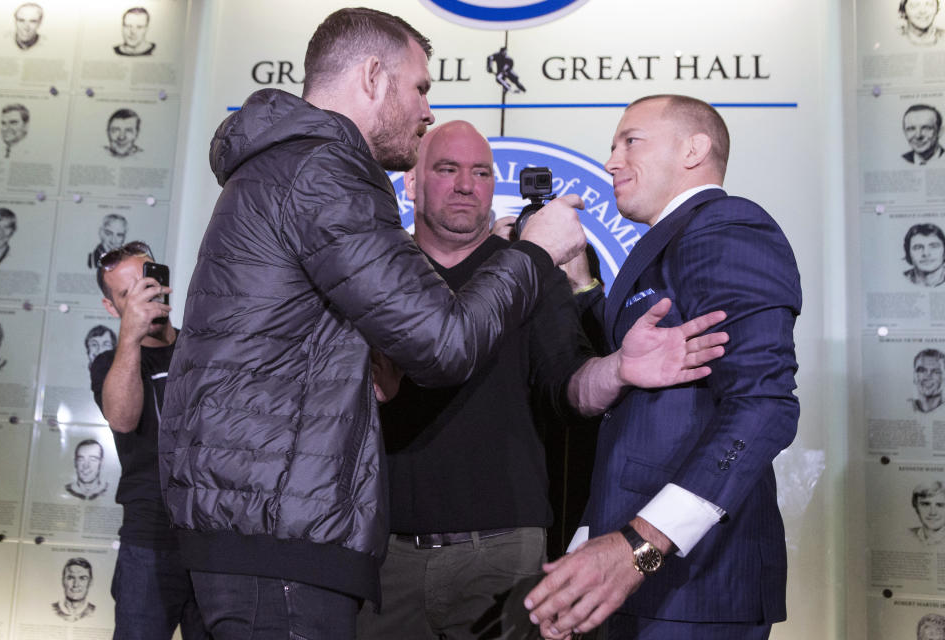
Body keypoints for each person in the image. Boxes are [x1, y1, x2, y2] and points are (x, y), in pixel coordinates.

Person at [159, 7, 590, 639]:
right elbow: (444, 342)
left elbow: (286, 341)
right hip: (281, 542)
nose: (427, 110)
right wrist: (533, 253)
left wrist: (354, 373)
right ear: (370, 76)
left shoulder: (286, 167)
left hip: (259, 529)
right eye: (420, 87)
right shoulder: (324, 171)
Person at [355, 121, 726, 640]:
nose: (466, 184)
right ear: (413, 184)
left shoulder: (532, 275)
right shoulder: (372, 272)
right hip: (379, 554)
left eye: (481, 172)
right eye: (447, 169)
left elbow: (569, 386)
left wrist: (617, 368)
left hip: (503, 553)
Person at [524, 94, 802, 640]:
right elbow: (637, 401)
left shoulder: (726, 226)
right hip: (643, 583)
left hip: (694, 588)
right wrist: (581, 284)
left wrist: (640, 547)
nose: (611, 162)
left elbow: (765, 406)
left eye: (631, 141)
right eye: (611, 146)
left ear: (694, 149)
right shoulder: (671, 242)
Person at [90, 241, 208, 640]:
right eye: (127, 295)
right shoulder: (111, 364)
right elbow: (122, 419)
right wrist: (130, 338)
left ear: (163, 283)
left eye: (146, 285)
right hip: (150, 541)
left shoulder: (205, 347)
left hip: (216, 540)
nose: (143, 299)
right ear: (112, 309)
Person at [52, 557, 96, 622]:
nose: (76, 584)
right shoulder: (51, 610)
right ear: (63, 581)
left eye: (82, 578)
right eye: (70, 578)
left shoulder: (96, 612)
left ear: (90, 582)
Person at [911, 481, 945, 545]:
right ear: (916, 507)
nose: (933, 512)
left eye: (940, 505)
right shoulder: (904, 535)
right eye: (926, 504)